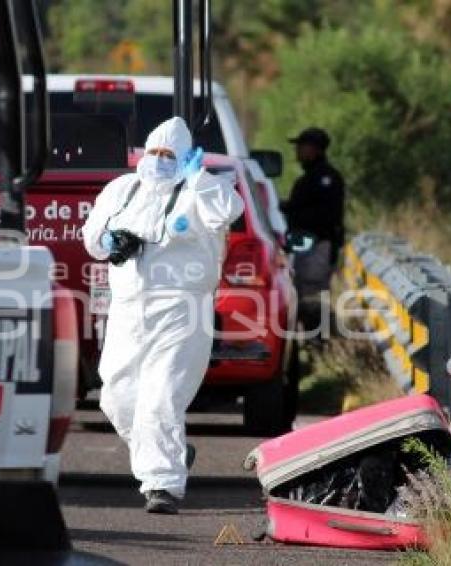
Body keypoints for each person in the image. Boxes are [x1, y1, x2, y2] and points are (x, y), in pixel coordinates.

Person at [82, 117, 244, 514]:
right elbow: (91, 238)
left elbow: (230, 210)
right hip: (127, 310)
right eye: (154, 152)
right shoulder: (123, 189)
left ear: (185, 157)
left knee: (161, 398)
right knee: (116, 399)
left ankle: (162, 486)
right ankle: (170, 452)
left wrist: (200, 177)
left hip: (180, 311)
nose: (159, 160)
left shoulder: (199, 190)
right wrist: (108, 241)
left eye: (169, 155)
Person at [281, 127, 345, 305]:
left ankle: (314, 331)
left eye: (302, 146)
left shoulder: (326, 179)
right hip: (305, 246)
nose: (297, 151)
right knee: (302, 294)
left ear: (315, 149)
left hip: (317, 247)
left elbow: (326, 215)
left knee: (312, 297)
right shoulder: (309, 179)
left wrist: (291, 210)